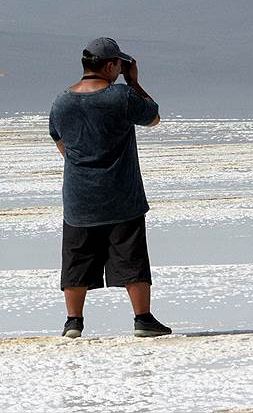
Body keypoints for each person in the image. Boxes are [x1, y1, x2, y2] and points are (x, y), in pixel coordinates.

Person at [48, 37, 172, 339]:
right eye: (118, 64)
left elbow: (59, 141)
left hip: (80, 197)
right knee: (132, 257)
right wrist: (134, 83)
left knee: (76, 259)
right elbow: (153, 117)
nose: (120, 69)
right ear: (109, 65)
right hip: (121, 196)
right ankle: (142, 319)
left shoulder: (61, 100)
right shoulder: (120, 97)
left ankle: (73, 322)